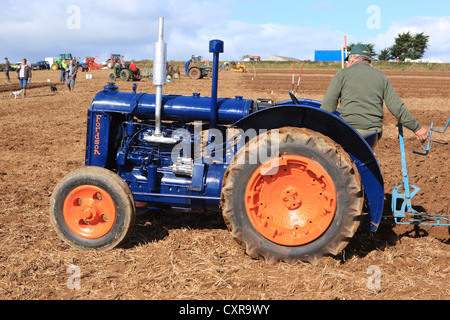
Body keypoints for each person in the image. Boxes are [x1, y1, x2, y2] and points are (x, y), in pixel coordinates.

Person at [321, 44, 428, 144]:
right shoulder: (381, 76)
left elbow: (328, 106)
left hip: (350, 131)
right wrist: (417, 128)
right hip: (373, 134)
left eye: (349, 60)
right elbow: (397, 107)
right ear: (368, 60)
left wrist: (319, 128)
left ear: (352, 58)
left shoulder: (342, 74)